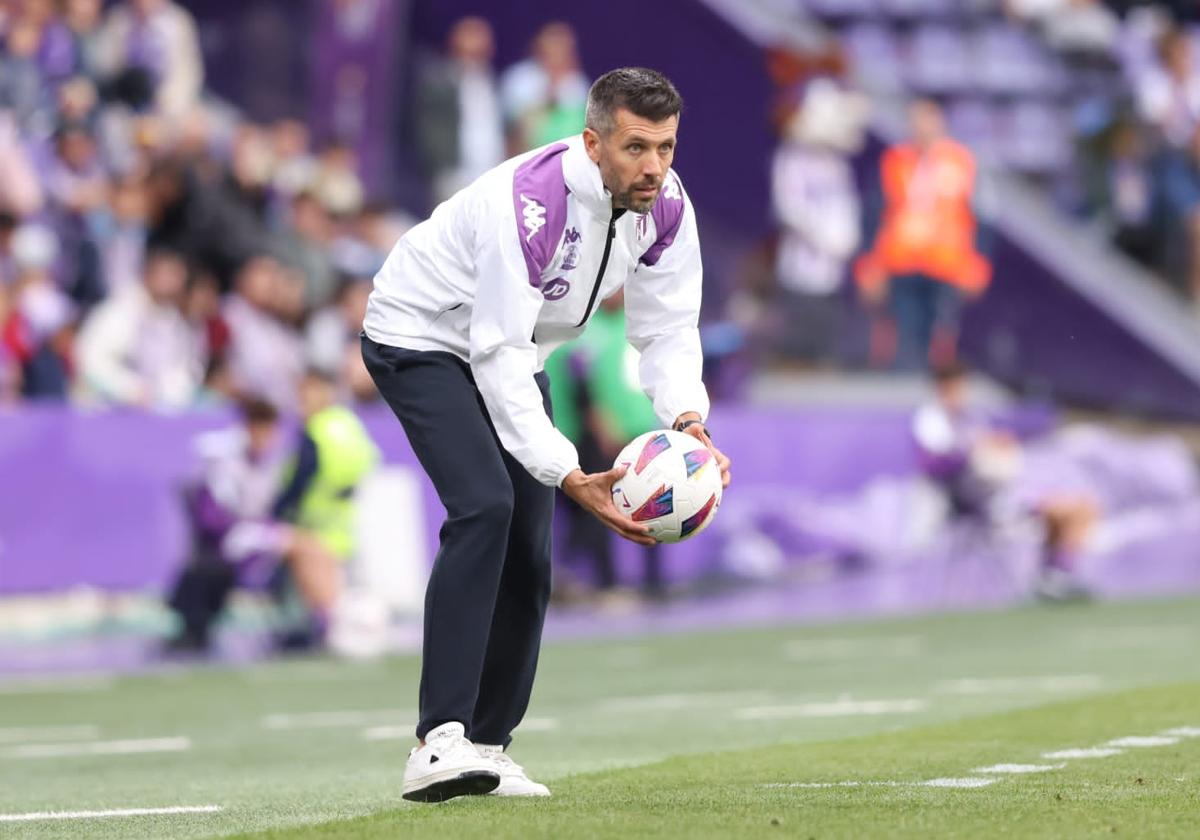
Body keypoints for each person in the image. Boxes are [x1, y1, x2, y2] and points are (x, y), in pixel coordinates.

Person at [361, 67, 730, 802]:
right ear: (593, 143)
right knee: (485, 506)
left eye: (665, 147)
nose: (653, 166)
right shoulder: (529, 204)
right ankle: (438, 742)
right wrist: (567, 473)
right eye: (635, 148)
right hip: (422, 335)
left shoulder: (665, 207)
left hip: (515, 348)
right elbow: (495, 355)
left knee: (531, 545)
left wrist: (689, 420)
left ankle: (487, 748)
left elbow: (666, 329)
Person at [855, 99, 991, 371]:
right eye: (915, 119)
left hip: (946, 263)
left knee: (940, 336)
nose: (921, 126)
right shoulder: (894, 160)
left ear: (940, 120)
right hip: (901, 262)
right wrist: (869, 264)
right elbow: (874, 215)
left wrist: (978, 263)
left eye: (927, 118)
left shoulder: (962, 162)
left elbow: (983, 217)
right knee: (903, 334)